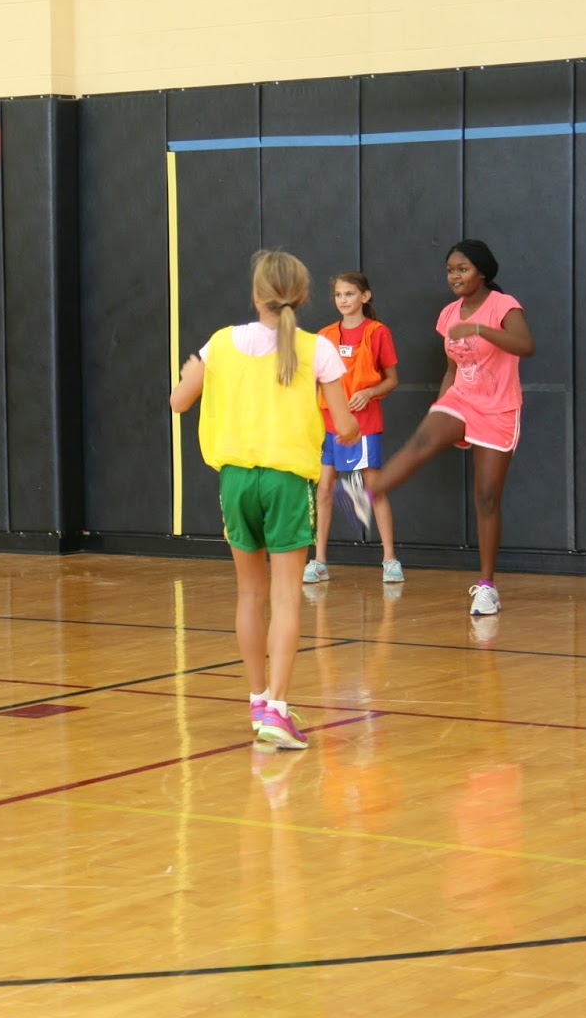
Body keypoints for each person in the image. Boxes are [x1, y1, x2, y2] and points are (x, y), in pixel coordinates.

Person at [169, 249, 359, 750]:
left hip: (235, 479)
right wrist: (348, 427)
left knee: (249, 595)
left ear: (256, 295)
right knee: (285, 597)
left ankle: (258, 701)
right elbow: (344, 426)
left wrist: (190, 371)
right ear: (303, 295)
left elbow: (178, 402)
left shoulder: (219, 344)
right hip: (286, 481)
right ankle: (277, 708)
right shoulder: (317, 348)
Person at [357, 240, 534, 616]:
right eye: (450, 270)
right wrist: (440, 406)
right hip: (461, 399)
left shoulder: (504, 305)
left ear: (482, 272)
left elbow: (525, 345)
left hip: (499, 409)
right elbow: (453, 368)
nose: (454, 276)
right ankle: (368, 491)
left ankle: (487, 587)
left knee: (487, 497)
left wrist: (480, 329)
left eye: (462, 269)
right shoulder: (448, 314)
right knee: (422, 439)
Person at [302, 272, 402, 585]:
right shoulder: (324, 336)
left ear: (365, 296)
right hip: (330, 420)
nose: (343, 300)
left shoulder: (377, 332)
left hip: (364, 422)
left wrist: (369, 392)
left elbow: (392, 379)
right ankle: (319, 561)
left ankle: (390, 559)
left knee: (374, 488)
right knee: (324, 488)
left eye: (349, 294)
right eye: (338, 295)